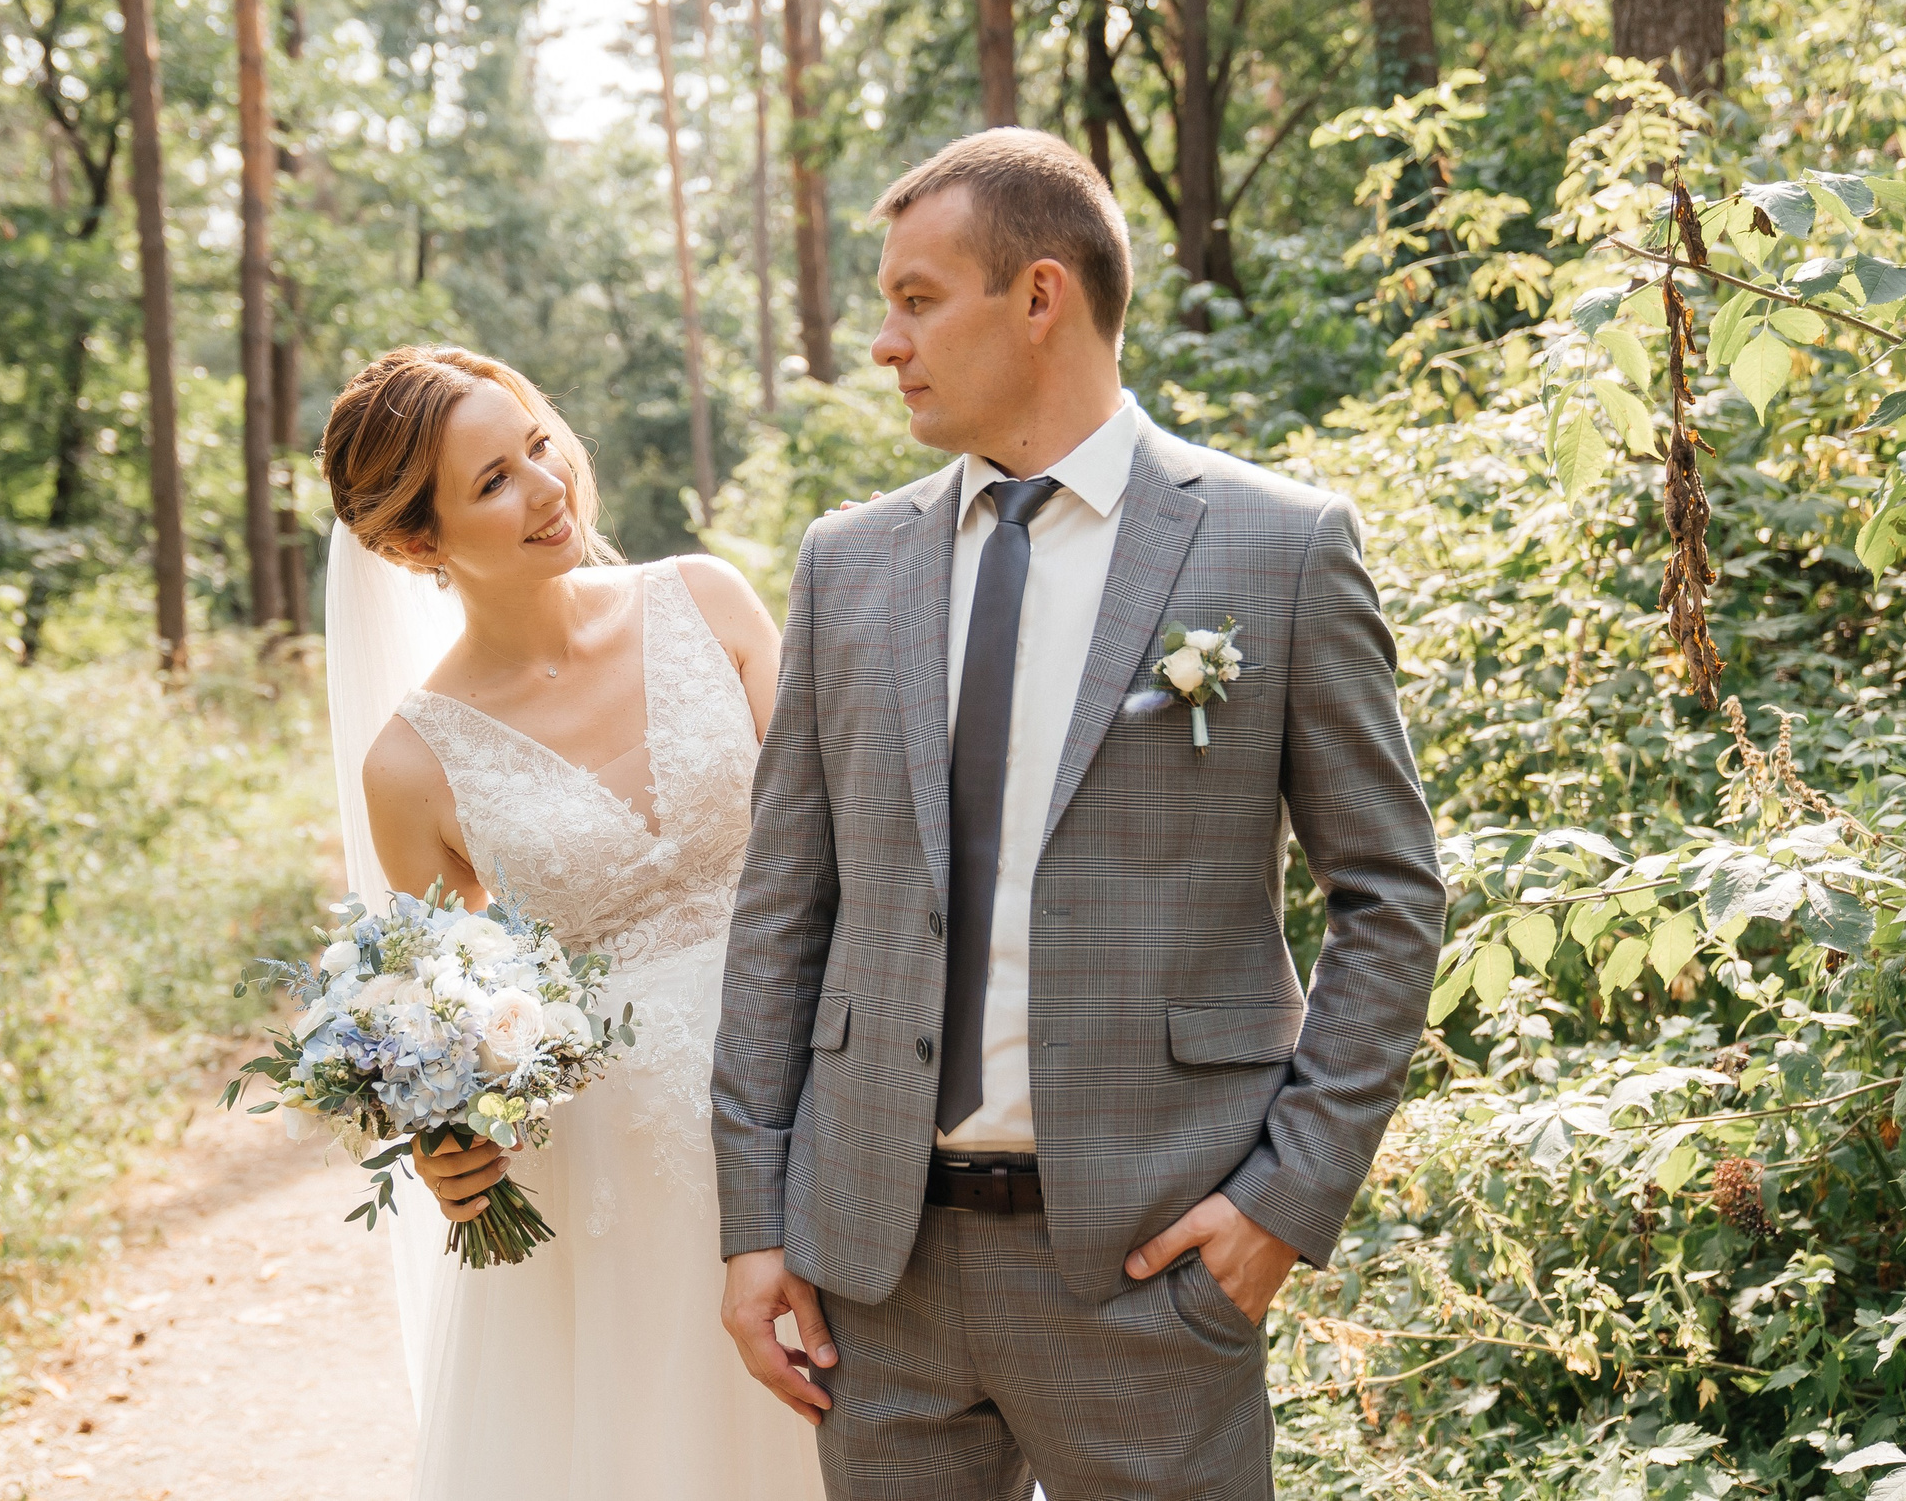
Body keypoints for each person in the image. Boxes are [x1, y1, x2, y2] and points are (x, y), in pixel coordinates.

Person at [709, 129, 1447, 1500]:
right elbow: (781, 908)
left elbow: (1392, 894)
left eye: (919, 299)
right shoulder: (846, 562)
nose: (885, 341)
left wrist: (1283, 1201)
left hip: (1152, 1266)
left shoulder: (1277, 546)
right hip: (880, 1269)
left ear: (1038, 296)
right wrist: (756, 1219)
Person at [317, 344, 824, 1501]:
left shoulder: (707, 600)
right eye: (493, 480)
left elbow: (836, 850)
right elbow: (431, 1011)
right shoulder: (411, 763)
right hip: (618, 1183)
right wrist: (444, 1140)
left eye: (539, 444)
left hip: (812, 1097)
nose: (548, 489)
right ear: (412, 543)